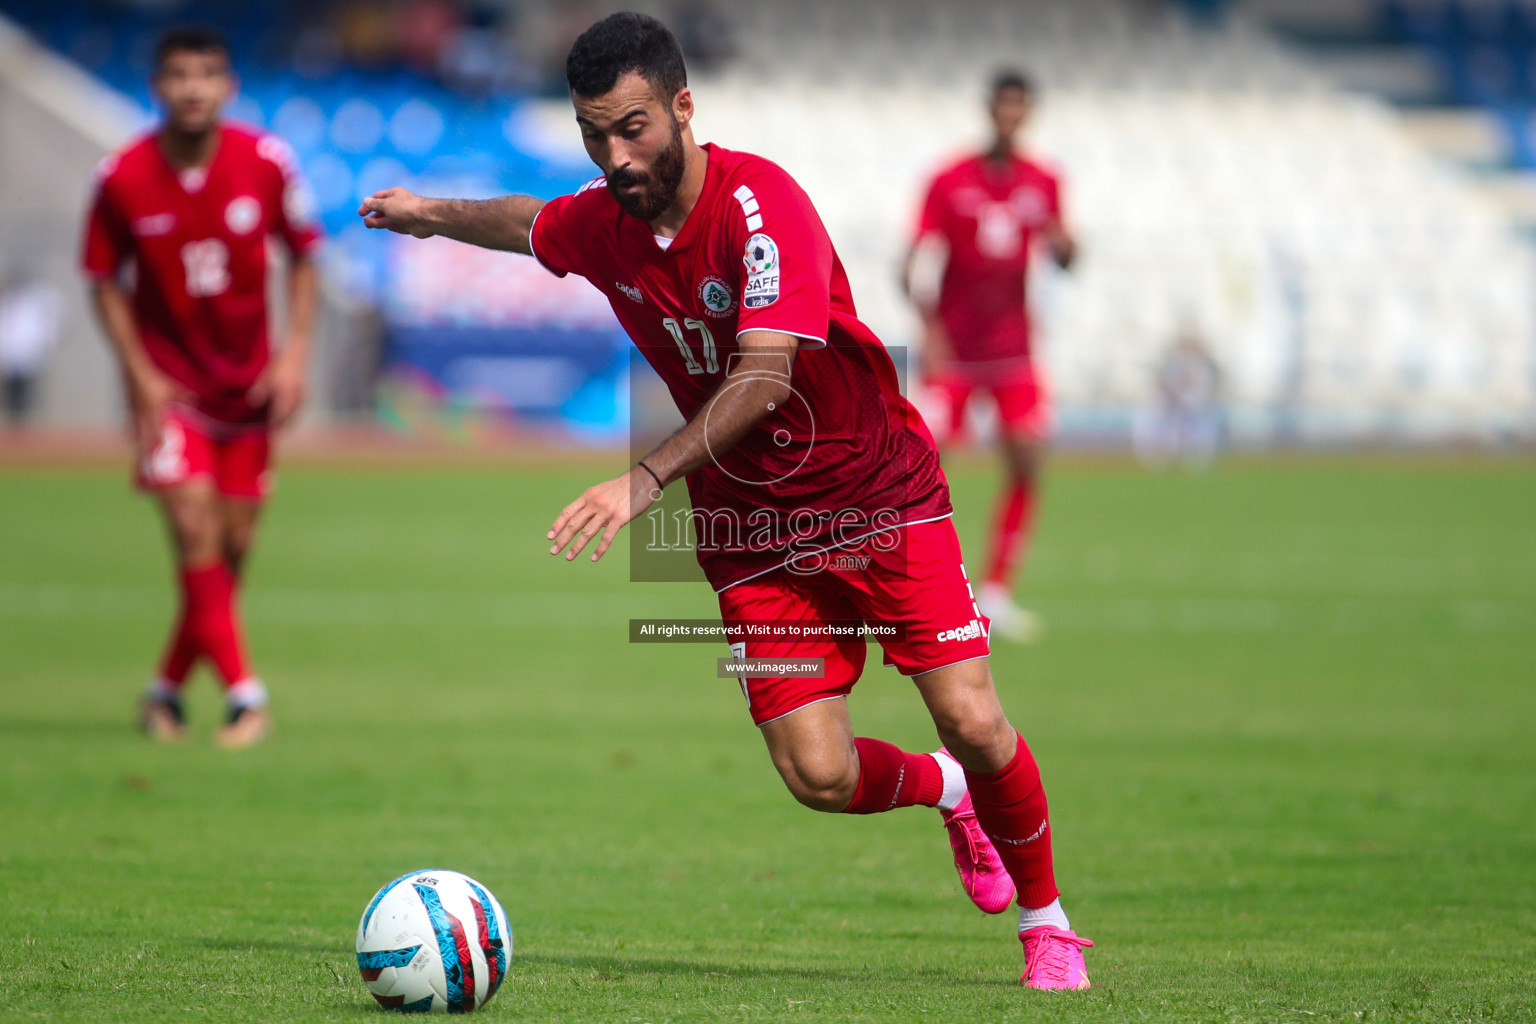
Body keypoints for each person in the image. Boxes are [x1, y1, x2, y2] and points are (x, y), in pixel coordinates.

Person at [360, 13, 1091, 989]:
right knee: (817, 774)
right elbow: (531, 221)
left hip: (878, 495)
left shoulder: (763, 205)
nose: (614, 157)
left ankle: (1048, 925)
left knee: (972, 712)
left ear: (682, 108)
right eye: (593, 135)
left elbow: (765, 377)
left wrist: (645, 475)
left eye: (632, 128)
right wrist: (430, 212)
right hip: (752, 531)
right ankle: (947, 792)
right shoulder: (605, 225)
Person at [81, 26, 321, 747]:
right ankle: (248, 699)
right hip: (171, 392)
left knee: (230, 550)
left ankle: (164, 694)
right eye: (178, 74)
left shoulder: (267, 163)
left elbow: (305, 258)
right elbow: (101, 280)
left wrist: (294, 355)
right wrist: (139, 372)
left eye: (207, 73)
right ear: (156, 85)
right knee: (193, 527)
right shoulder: (120, 176)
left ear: (228, 85)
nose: (192, 87)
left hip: (249, 391)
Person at [901, 71, 1076, 642]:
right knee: (923, 464)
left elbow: (1063, 253)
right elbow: (909, 263)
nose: (1009, 117)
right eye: (1002, 107)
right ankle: (914, 584)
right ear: (990, 111)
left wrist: (1070, 246)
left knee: (1027, 458)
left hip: (1013, 351)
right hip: (954, 350)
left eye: (1018, 108)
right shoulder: (950, 179)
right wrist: (927, 330)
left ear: (1027, 113)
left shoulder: (1044, 181)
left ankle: (997, 592)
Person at [0, 268, 62, 428]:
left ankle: (22, 423)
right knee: (11, 391)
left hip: (26, 354)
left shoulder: (33, 302)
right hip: (11, 355)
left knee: (25, 390)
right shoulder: (7, 302)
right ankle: (13, 421)